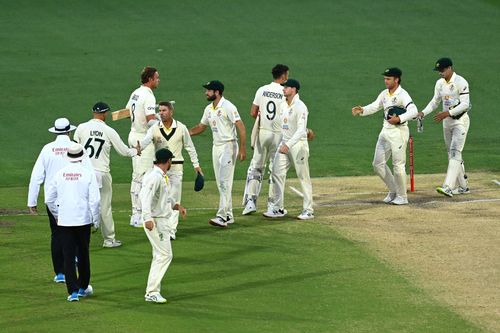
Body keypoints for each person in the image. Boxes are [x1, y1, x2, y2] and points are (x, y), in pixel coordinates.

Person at [74, 102, 142, 248]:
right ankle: (109, 240)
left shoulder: (81, 128)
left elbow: (74, 149)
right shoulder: (108, 130)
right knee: (104, 207)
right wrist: (136, 151)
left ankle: (79, 240)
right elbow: (124, 152)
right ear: (104, 114)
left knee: (82, 205)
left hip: (83, 173)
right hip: (101, 173)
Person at [352, 67, 418, 205]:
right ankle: (393, 190)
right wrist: (362, 110)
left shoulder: (403, 94)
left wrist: (399, 118)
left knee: (398, 165)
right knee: (377, 164)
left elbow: (414, 111)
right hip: (385, 131)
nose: (385, 81)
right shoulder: (384, 94)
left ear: (397, 79)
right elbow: (375, 106)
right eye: (385, 78)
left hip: (399, 133)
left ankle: (402, 196)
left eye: (388, 79)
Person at [45, 143, 100, 302]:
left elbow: (49, 199)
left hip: (65, 221)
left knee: (68, 256)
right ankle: (83, 287)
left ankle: (73, 291)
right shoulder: (88, 174)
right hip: (83, 220)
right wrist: (95, 220)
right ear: (81, 157)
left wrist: (57, 214)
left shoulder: (59, 174)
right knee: (83, 254)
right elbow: (95, 201)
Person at [140, 101, 202, 240]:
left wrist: (196, 165)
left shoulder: (181, 128)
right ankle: (157, 224)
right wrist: (138, 148)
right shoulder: (155, 128)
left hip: (176, 168)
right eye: (160, 111)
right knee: (160, 198)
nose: (161, 113)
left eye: (164, 110)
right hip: (160, 168)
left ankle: (171, 230)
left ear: (171, 112)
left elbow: (190, 147)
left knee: (174, 199)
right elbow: (145, 141)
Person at [189, 80, 246, 227]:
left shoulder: (228, 106)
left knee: (224, 181)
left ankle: (222, 216)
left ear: (217, 92)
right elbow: (201, 127)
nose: (206, 93)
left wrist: (243, 148)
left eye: (208, 90)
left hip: (229, 146)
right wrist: (186, 133)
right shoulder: (208, 108)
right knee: (221, 183)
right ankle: (229, 214)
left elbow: (241, 126)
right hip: (216, 147)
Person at [27, 118, 78, 283]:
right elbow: (86, 171)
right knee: (75, 231)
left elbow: (36, 176)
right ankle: (75, 259)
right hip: (73, 196)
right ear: (69, 131)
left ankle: (60, 273)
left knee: (56, 234)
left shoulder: (47, 149)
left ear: (56, 131)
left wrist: (32, 201)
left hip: (53, 199)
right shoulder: (76, 146)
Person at [418, 57, 471, 197]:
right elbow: (435, 102)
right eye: (438, 70)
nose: (440, 73)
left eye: (442, 70)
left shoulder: (461, 82)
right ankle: (464, 187)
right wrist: (423, 112)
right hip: (446, 122)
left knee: (454, 152)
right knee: (452, 154)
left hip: (460, 122)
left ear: (449, 68)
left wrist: (448, 112)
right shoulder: (440, 83)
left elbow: (465, 104)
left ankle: (448, 186)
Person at [140, 148, 186, 304]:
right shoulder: (154, 177)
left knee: (159, 255)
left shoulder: (161, 176)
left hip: (160, 220)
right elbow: (145, 197)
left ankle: (153, 290)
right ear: (168, 161)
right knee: (165, 255)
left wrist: (176, 206)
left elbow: (164, 198)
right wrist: (147, 218)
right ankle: (151, 292)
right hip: (156, 221)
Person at [264, 79, 314, 220]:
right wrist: (280, 143)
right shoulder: (282, 105)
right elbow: (282, 128)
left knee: (303, 177)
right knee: (276, 173)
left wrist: (289, 144)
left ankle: (308, 210)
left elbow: (300, 130)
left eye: (286, 87)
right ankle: (278, 208)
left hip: (298, 145)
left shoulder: (300, 106)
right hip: (284, 145)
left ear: (294, 89)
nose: (283, 89)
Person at [242, 64, 289, 215]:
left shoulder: (262, 90)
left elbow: (253, 112)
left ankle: (250, 203)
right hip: (279, 134)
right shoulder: (285, 92)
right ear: (283, 76)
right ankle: (272, 206)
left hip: (263, 133)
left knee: (256, 167)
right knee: (275, 170)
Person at [126, 66, 160, 227]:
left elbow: (127, 112)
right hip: (143, 140)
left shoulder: (135, 92)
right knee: (142, 177)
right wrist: (163, 121)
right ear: (150, 79)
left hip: (133, 135)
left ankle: (137, 213)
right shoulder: (148, 96)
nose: (158, 80)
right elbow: (150, 120)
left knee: (137, 175)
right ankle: (137, 215)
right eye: (157, 78)